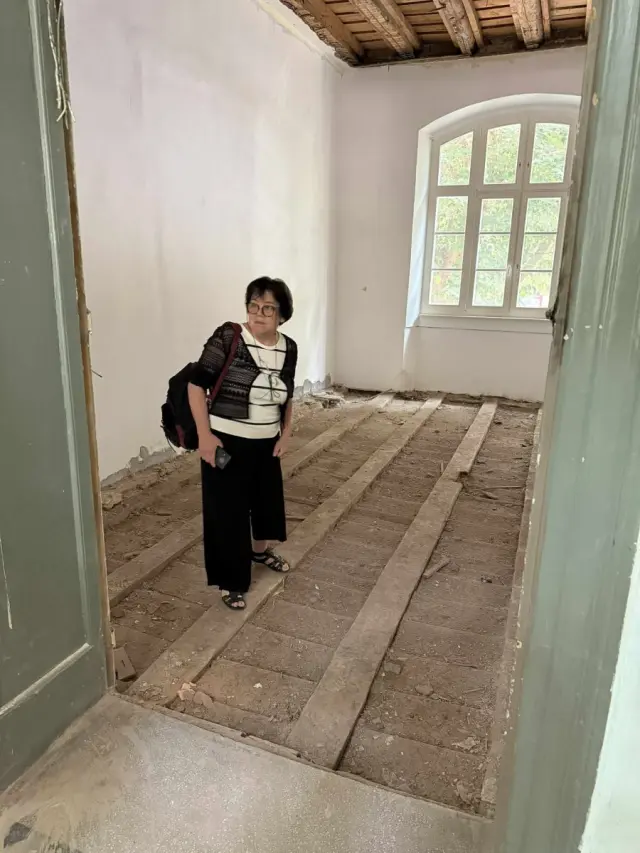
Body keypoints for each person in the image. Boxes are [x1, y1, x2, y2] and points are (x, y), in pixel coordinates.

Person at [187, 277, 297, 611]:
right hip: (226, 441)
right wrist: (205, 436)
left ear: (282, 315)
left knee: (265, 502)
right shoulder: (229, 337)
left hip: (266, 442)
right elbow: (196, 385)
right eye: (254, 305)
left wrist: (286, 432)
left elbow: (288, 394)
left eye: (268, 308)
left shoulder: (289, 347)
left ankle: (259, 553)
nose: (259, 313)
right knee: (227, 512)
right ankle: (231, 581)